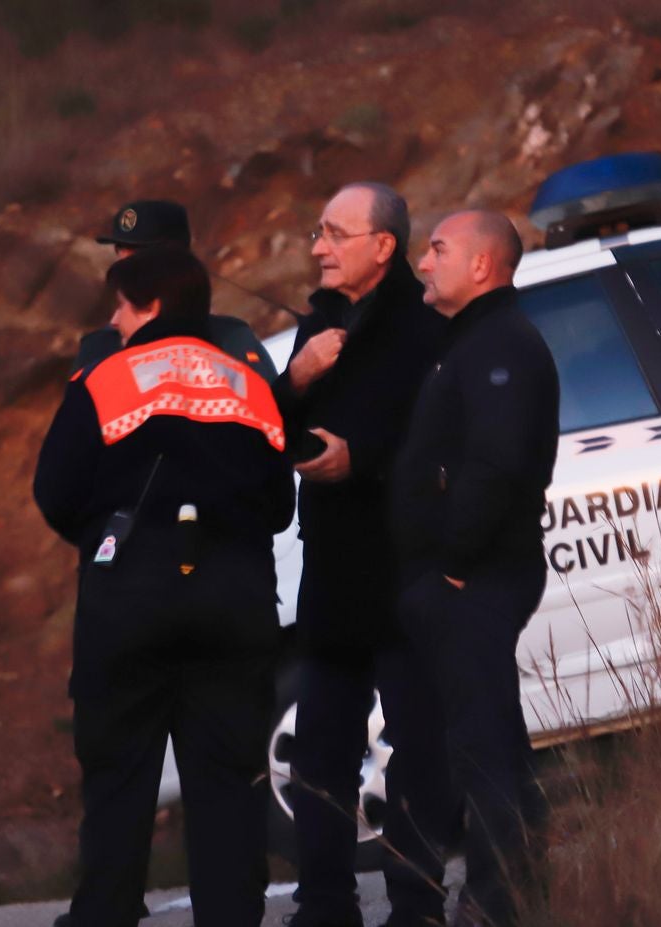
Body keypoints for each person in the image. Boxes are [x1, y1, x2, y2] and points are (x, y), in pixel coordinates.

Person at [34, 246, 295, 927]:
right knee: (226, 779)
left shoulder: (105, 378)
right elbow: (278, 505)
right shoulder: (245, 380)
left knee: (120, 778)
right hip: (232, 605)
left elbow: (55, 491)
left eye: (121, 305)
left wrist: (111, 535)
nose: (114, 320)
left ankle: (105, 914)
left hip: (129, 606)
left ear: (150, 306)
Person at [273, 183, 449, 927]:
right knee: (319, 749)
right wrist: (297, 380)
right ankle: (324, 906)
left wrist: (364, 460)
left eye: (333, 233)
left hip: (407, 565)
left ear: (382, 246)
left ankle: (415, 905)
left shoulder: (429, 327)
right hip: (334, 570)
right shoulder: (317, 328)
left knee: (416, 745)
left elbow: (449, 441)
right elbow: (267, 435)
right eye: (318, 233)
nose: (317, 247)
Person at [392, 210, 560, 927]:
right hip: (462, 577)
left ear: (483, 266)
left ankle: (498, 905)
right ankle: (521, 891)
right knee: (488, 740)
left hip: (477, 578)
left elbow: (497, 464)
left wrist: (454, 566)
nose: (423, 264)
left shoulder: (501, 345)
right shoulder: (468, 342)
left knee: (484, 750)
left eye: (436, 250)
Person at [76, 198, 277, 382]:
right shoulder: (98, 347)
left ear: (179, 259)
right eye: (119, 249)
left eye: (138, 252)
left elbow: (270, 410)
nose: (124, 261)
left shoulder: (229, 337)